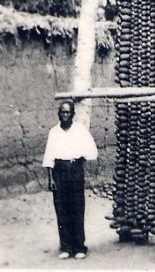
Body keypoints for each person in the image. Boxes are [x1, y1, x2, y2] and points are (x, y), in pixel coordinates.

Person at [42, 100, 98, 260]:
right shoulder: (53, 132)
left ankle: (79, 246)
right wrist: (51, 178)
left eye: (67, 112)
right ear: (58, 114)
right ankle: (66, 246)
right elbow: (49, 157)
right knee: (61, 209)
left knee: (77, 208)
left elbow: (91, 151)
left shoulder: (80, 131)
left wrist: (79, 161)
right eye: (62, 112)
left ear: (73, 114)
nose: (64, 115)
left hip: (75, 171)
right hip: (59, 172)